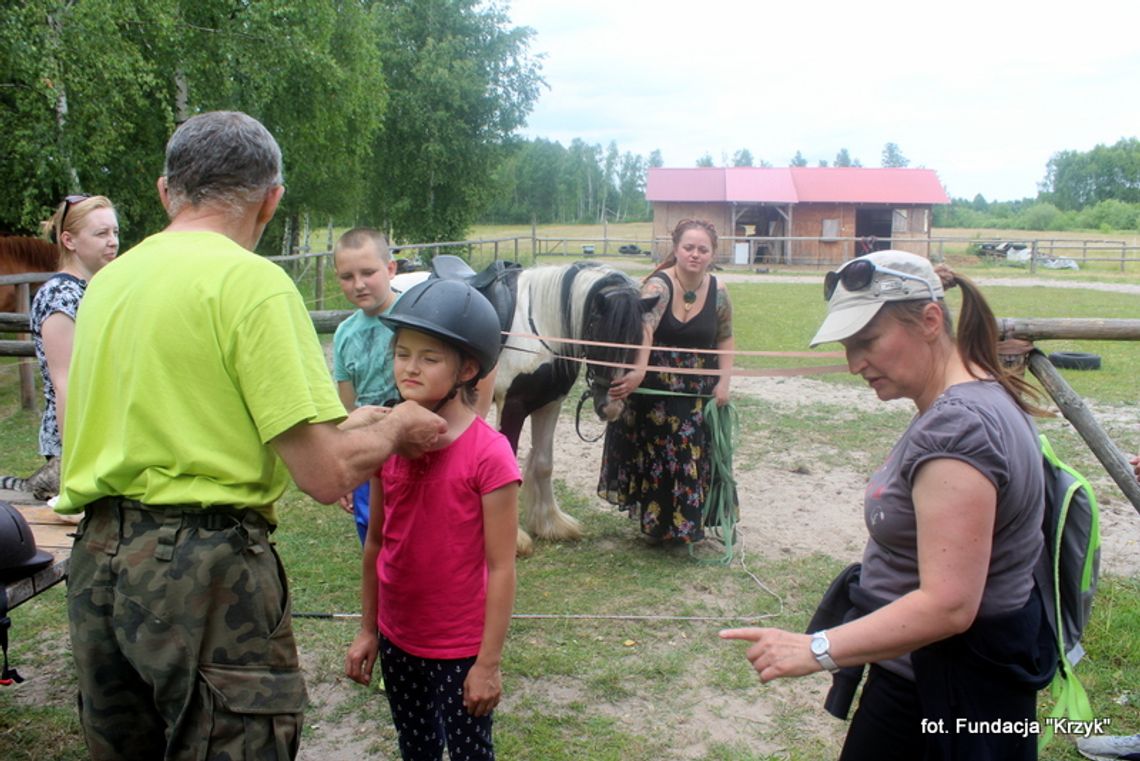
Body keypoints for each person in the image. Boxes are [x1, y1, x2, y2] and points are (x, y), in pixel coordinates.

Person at [56, 111, 447, 761]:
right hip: (203, 571)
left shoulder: (107, 284)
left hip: (98, 562)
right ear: (271, 200)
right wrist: (401, 423)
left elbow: (193, 416)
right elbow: (323, 474)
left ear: (165, 192)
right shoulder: (253, 283)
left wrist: (354, 423)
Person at [721, 250, 1056, 760]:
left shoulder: (957, 428)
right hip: (960, 682)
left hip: (942, 691)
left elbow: (948, 604)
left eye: (867, 342)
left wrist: (816, 648)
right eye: (848, 346)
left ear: (929, 320)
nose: (855, 364)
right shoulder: (983, 395)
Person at [344, 278, 520, 761]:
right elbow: (377, 543)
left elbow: (501, 567)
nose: (410, 368)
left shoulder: (490, 455)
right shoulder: (388, 440)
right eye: (403, 353)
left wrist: (488, 662)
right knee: (416, 748)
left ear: (466, 367)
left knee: (468, 754)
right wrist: (368, 629)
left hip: (460, 648)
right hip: (399, 639)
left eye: (429, 357)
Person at [598, 218, 734, 545]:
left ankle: (684, 527)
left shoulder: (719, 291)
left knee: (689, 453)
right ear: (676, 250)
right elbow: (645, 327)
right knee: (663, 451)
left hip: (698, 387)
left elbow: (725, 338)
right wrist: (640, 370)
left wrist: (724, 382)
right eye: (688, 247)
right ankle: (659, 525)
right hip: (656, 388)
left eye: (703, 249)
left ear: (712, 254)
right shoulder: (658, 287)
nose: (695, 254)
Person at [6, 195, 118, 501]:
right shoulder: (60, 295)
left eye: (115, 233)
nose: (112, 242)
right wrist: (74, 463)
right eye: (101, 234)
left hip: (103, 435)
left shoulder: (95, 288)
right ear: (68, 240)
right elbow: (65, 381)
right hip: (77, 441)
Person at [331, 227, 400, 544]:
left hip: (413, 447)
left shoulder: (416, 316)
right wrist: (345, 470)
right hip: (368, 454)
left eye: (368, 272)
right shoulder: (344, 334)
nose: (358, 284)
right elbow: (348, 408)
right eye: (347, 276)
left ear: (390, 269)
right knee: (373, 535)